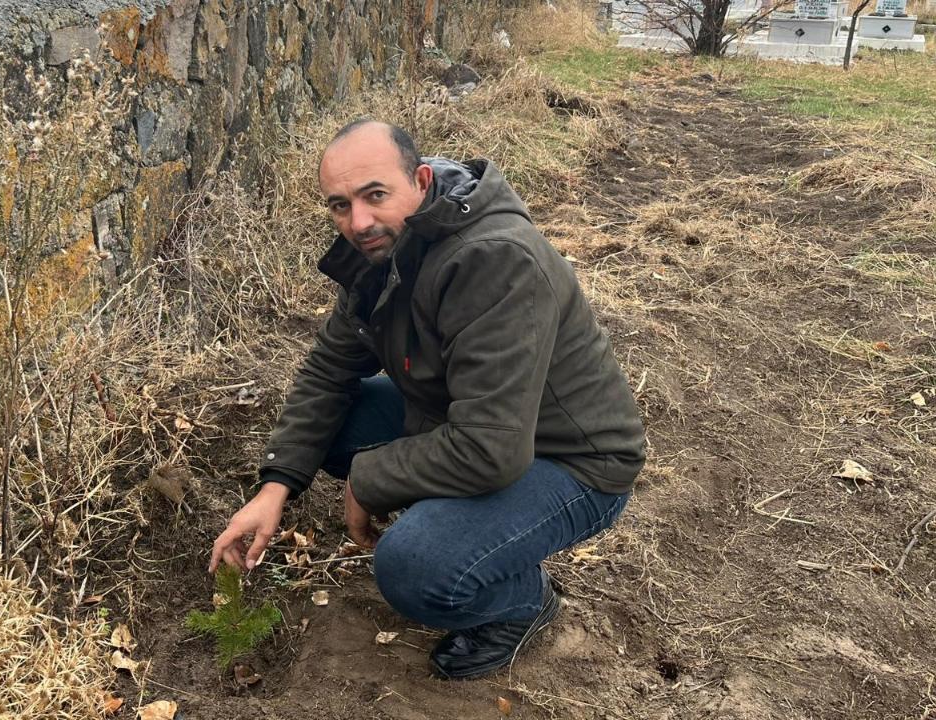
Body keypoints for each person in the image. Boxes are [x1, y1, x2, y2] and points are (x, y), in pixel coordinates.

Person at [209, 120, 646, 680]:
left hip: (573, 461)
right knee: (336, 426)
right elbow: (328, 370)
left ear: (419, 180)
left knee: (415, 566)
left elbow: (490, 448)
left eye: (374, 195)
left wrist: (369, 480)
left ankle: (521, 603)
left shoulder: (495, 260)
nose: (357, 222)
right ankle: (466, 523)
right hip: (470, 418)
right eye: (340, 205)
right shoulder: (383, 248)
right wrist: (276, 487)